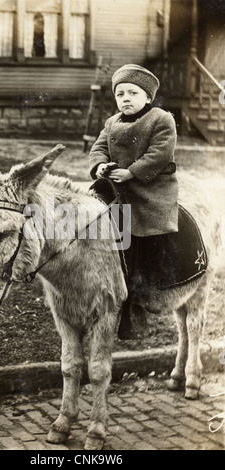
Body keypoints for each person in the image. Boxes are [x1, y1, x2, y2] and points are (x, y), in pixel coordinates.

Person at [89, 64, 179, 340]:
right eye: (120, 94)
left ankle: (151, 288)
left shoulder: (161, 119)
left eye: (132, 92)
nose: (125, 98)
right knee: (91, 224)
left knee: (150, 236)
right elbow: (98, 148)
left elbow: (160, 153)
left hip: (150, 189)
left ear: (148, 97)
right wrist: (101, 167)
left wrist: (132, 171)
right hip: (118, 189)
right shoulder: (111, 122)